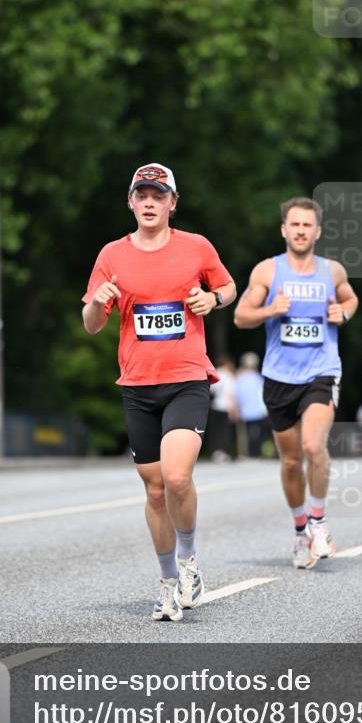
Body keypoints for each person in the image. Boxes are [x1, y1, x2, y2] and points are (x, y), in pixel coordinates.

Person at [82, 163, 236, 620]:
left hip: (187, 379)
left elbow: (226, 286)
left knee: (177, 477)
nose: (149, 202)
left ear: (173, 203)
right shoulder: (111, 255)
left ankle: (189, 562)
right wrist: (97, 301)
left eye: (158, 194)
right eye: (141, 194)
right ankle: (168, 581)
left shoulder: (196, 247)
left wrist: (213, 300)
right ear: (130, 202)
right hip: (137, 386)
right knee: (153, 492)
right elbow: (91, 325)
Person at [234, 197, 358, 569]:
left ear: (317, 232)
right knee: (290, 462)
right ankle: (300, 526)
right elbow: (241, 316)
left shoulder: (331, 271)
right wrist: (271, 309)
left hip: (321, 371)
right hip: (279, 377)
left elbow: (350, 298)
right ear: (284, 230)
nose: (301, 231)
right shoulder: (268, 272)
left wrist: (344, 312)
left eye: (308, 225)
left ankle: (319, 523)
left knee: (312, 446)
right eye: (295, 224)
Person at [234, 352, 270, 458]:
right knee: (259, 434)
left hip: (246, 411)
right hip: (259, 411)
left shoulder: (240, 378)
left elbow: (237, 395)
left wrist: (236, 408)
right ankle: (256, 453)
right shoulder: (258, 378)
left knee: (246, 434)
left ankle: (247, 453)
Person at [208, 355, 238, 462]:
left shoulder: (216, 372)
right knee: (225, 431)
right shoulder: (229, 376)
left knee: (216, 430)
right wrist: (232, 409)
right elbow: (230, 394)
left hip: (215, 405)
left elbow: (212, 390)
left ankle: (215, 451)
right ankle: (223, 452)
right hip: (225, 407)